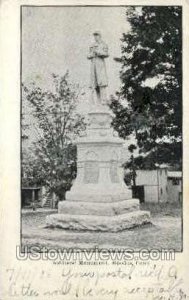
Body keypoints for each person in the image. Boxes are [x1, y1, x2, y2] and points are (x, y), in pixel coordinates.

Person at [87, 31, 109, 105]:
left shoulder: (103, 44)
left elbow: (106, 54)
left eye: (97, 35)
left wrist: (99, 52)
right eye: (94, 36)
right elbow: (88, 56)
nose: (95, 37)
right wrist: (92, 54)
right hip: (93, 65)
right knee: (95, 84)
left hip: (100, 65)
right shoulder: (92, 45)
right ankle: (98, 101)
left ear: (100, 36)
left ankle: (103, 101)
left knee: (102, 83)